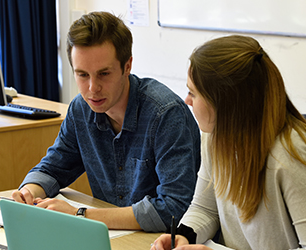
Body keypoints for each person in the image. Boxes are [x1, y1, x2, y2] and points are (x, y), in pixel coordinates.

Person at [151, 35, 306, 249]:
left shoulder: (293, 156)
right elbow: (205, 208)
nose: (187, 101)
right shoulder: (215, 137)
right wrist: (184, 235)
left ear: (224, 103)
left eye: (193, 93)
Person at [11, 11, 201, 233]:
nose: (92, 88)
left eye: (103, 74)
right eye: (82, 75)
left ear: (127, 66)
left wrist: (80, 215)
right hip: (110, 237)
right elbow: (53, 168)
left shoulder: (166, 114)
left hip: (160, 242)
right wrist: (29, 192)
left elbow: (171, 209)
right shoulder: (81, 109)